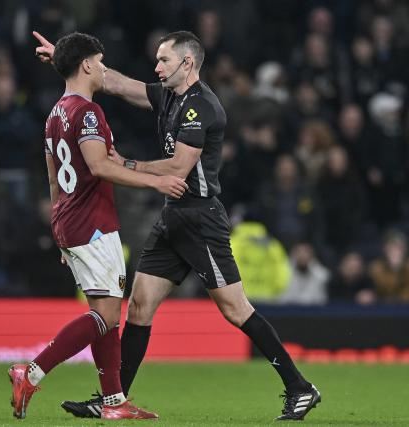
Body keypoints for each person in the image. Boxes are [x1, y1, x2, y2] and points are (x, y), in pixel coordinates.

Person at [34, 30, 321, 421]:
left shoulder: (200, 106)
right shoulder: (170, 95)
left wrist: (125, 165)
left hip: (201, 218)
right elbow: (117, 84)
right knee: (138, 307)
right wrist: (67, 60)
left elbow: (178, 169)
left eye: (163, 60)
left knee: (235, 309)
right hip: (174, 216)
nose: (156, 67)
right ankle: (114, 400)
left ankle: (300, 388)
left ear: (187, 63)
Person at [8, 32, 188, 420]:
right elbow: (100, 166)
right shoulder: (88, 113)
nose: (104, 69)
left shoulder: (56, 112)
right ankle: (32, 371)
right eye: (100, 61)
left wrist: (59, 228)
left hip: (70, 220)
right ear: (87, 65)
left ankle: (114, 402)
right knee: (106, 318)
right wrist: (158, 181)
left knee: (105, 315)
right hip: (92, 223)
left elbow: (54, 177)